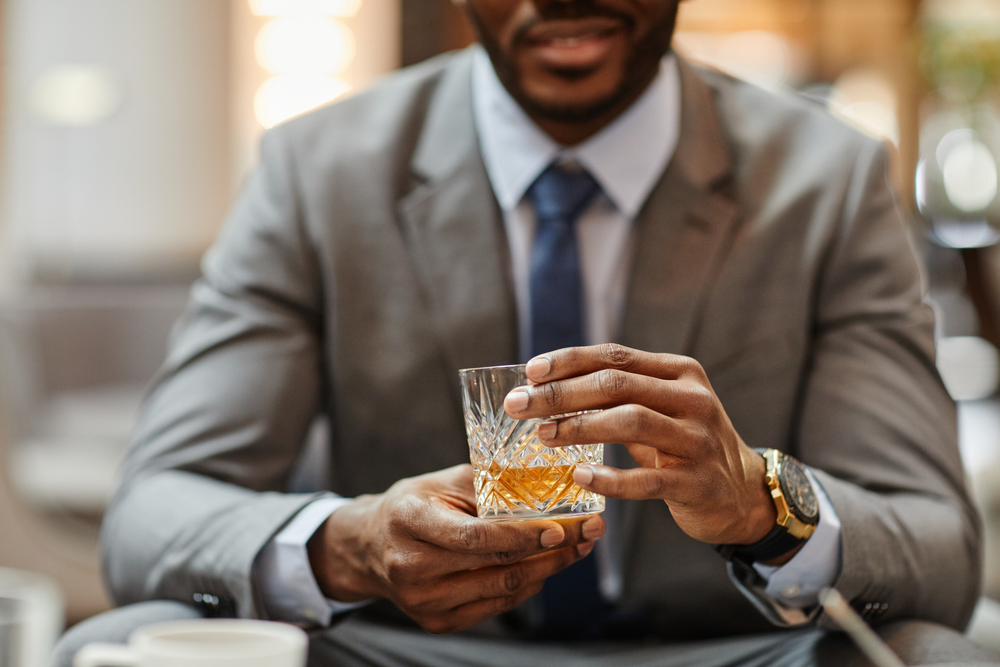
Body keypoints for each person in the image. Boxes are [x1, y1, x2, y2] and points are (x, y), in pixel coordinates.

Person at [52, 0, 997, 665]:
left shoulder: (829, 180)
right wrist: (348, 546)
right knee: (110, 646)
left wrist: (761, 500)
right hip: (403, 650)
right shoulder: (317, 170)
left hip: (728, 647)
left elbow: (942, 548)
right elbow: (153, 512)